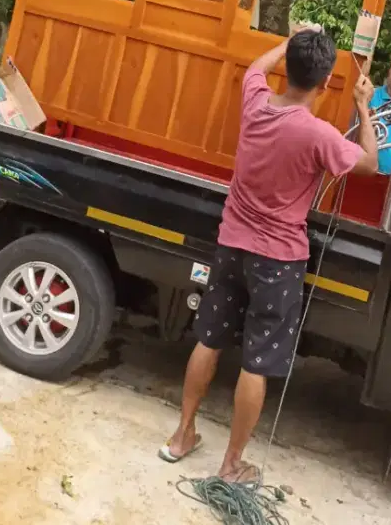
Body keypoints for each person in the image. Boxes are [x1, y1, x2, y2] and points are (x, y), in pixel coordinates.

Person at [159, 27, 378, 482]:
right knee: (257, 362)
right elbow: (371, 164)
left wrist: (292, 40)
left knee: (209, 339)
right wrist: (363, 106)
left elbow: (257, 67)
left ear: (289, 70)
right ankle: (231, 465)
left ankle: (182, 436)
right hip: (278, 260)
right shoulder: (319, 135)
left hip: (231, 244)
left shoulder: (256, 101)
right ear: (323, 85)